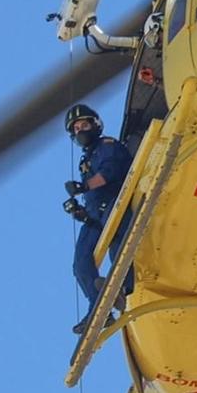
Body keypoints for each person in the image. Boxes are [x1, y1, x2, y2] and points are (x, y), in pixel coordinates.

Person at [62, 103, 133, 333]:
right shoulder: (85, 160)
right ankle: (98, 308)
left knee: (117, 244)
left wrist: (84, 186)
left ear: (95, 125)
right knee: (81, 264)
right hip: (94, 214)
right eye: (76, 128)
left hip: (115, 202)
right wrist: (79, 211)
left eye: (84, 125)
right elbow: (91, 192)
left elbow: (110, 172)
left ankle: (124, 286)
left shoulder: (107, 146)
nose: (80, 130)